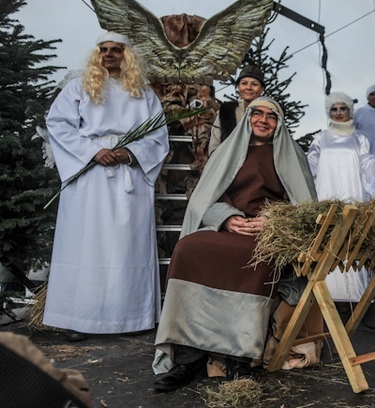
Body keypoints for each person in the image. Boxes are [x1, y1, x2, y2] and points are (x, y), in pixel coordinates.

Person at [153, 97, 320, 391]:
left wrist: (273, 221)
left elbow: (304, 207)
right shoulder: (227, 152)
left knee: (255, 257)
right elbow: (205, 199)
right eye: (258, 113)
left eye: (272, 116)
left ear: (279, 124)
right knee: (188, 248)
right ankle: (187, 359)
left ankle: (239, 358)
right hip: (226, 227)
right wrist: (228, 218)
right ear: (248, 117)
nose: (264, 120)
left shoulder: (292, 155)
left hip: (267, 234)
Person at [44, 32, 170, 340]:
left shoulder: (143, 93)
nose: (109, 54)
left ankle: (129, 317)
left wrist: (131, 152)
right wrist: (92, 152)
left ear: (126, 55)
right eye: (103, 49)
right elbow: (57, 123)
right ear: (96, 53)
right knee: (86, 246)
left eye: (116, 49)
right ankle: (81, 319)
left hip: (128, 179)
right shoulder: (79, 87)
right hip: (89, 177)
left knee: (127, 249)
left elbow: (158, 135)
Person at [307, 92, 375, 300]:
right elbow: (310, 167)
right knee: (329, 234)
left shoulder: (359, 138)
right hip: (327, 195)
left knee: (352, 236)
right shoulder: (320, 138)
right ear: (328, 112)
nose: (339, 113)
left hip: (352, 193)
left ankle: (354, 290)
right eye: (334, 109)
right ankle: (328, 289)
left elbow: (367, 164)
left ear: (350, 111)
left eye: (343, 108)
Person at [208, 64, 264, 155]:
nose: (248, 88)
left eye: (254, 84)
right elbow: (214, 145)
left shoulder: (269, 113)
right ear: (238, 87)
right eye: (244, 83)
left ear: (262, 89)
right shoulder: (226, 112)